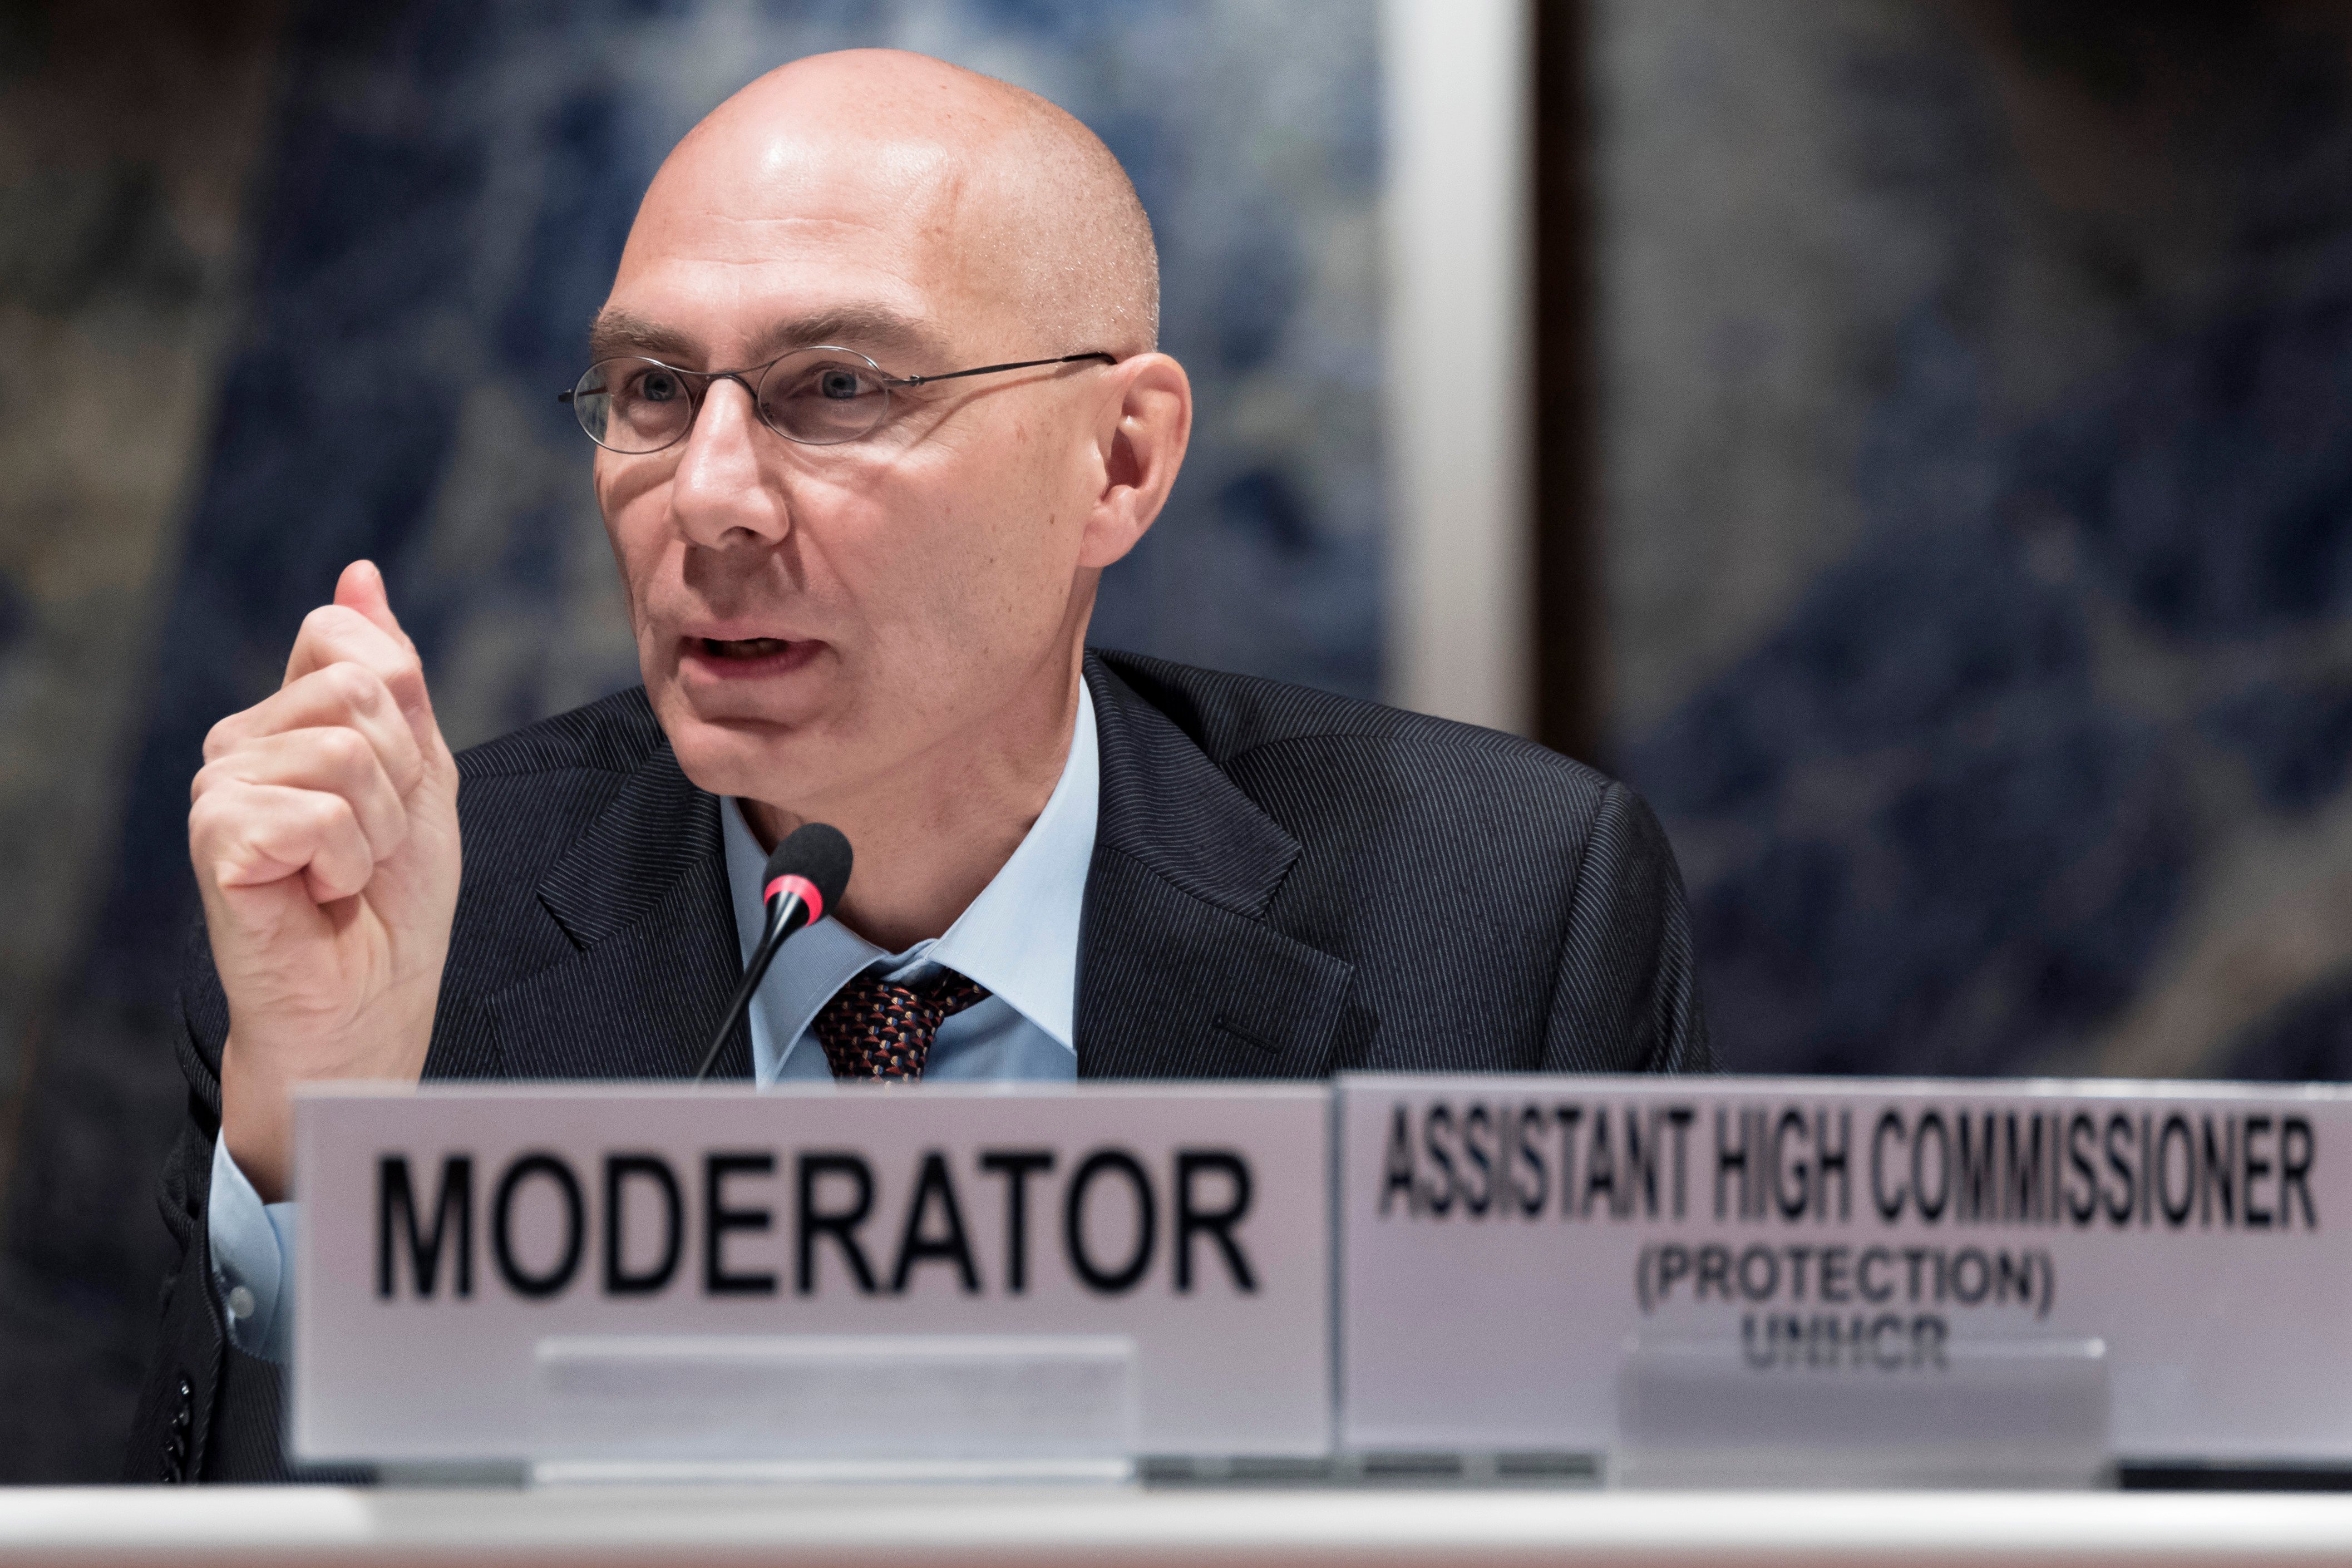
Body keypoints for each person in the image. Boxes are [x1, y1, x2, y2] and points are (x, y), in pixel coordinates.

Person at [129, 48, 1711, 1482]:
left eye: (839, 389)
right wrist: (333, 1140)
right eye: (654, 395)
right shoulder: (402, 939)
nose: (712, 498)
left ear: (1121, 459)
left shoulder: (1500, 914)